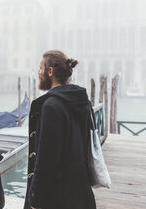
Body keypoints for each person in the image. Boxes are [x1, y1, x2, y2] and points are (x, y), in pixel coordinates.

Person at [24, 50, 96, 209]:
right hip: (80, 192)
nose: (38, 72)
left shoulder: (51, 106)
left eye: (40, 68)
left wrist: (35, 200)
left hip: (57, 198)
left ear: (50, 71)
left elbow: (47, 160)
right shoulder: (82, 101)